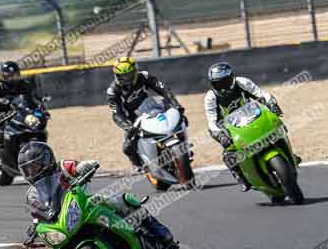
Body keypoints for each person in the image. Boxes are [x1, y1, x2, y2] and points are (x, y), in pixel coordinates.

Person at [17, 141, 175, 249]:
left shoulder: (61, 166)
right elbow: (37, 211)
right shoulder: (32, 193)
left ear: (46, 160)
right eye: (28, 169)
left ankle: (156, 228)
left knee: (120, 201)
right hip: (64, 220)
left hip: (83, 203)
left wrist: (85, 166)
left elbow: (76, 166)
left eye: (36, 166)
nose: (33, 171)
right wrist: (35, 226)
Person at [204, 62, 283, 191]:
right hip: (231, 129)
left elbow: (261, 94)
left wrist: (271, 103)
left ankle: (290, 153)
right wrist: (221, 135)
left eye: (225, 83)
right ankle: (242, 179)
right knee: (228, 154)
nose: (222, 88)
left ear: (232, 78)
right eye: (217, 84)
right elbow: (211, 122)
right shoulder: (210, 97)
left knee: (276, 125)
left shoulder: (242, 82)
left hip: (254, 117)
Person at [106, 57, 185, 171]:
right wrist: (128, 127)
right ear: (117, 76)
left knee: (180, 118)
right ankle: (138, 164)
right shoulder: (113, 91)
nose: (127, 79)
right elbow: (116, 113)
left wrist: (175, 104)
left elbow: (163, 89)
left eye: (130, 74)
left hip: (151, 108)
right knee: (128, 147)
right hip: (133, 119)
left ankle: (184, 147)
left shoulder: (144, 76)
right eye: (124, 76)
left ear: (135, 71)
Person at [0, 61, 37, 163]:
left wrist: (39, 108)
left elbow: (32, 100)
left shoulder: (24, 85)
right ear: (3, 76)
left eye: (15, 75)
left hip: (15, 110)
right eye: (10, 76)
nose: (13, 78)